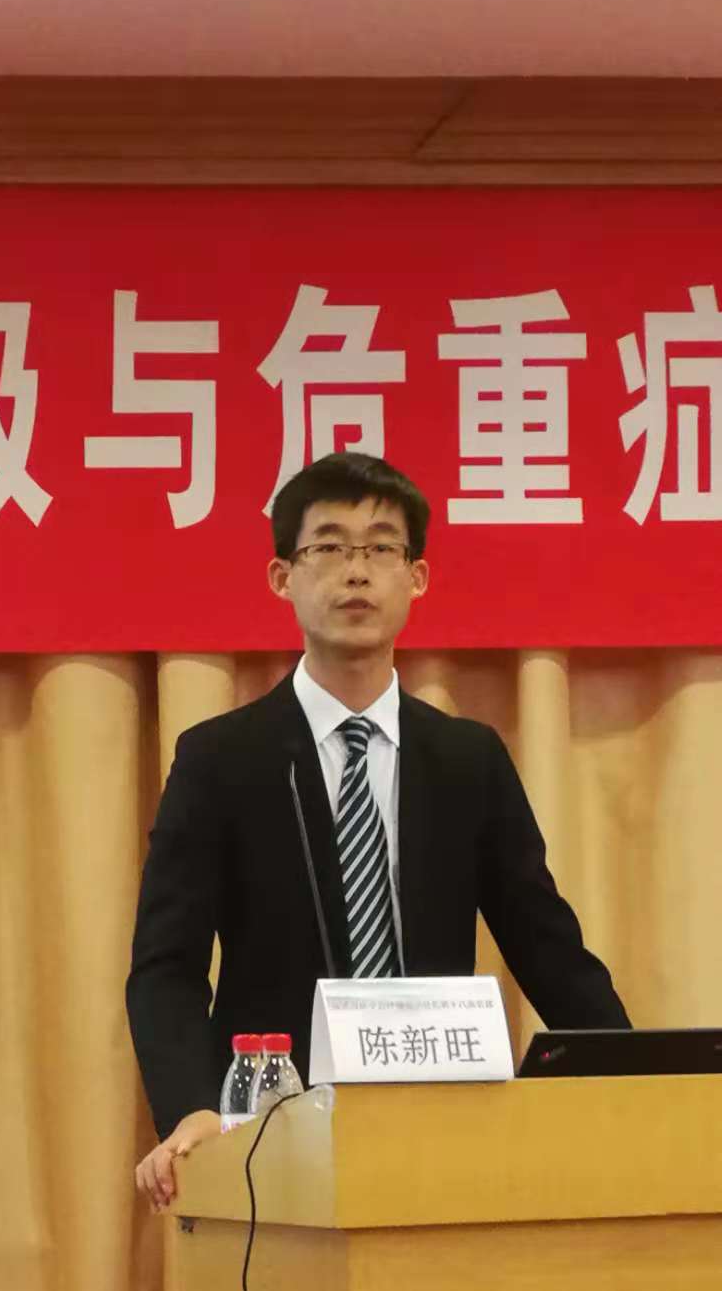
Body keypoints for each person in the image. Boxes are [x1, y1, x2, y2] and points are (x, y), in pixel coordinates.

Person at [127, 452, 630, 1210]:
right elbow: (166, 966)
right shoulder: (221, 760)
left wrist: (636, 1077)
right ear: (282, 577)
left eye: (381, 548)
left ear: (417, 577)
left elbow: (547, 946)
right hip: (275, 1141)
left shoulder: (467, 758)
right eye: (328, 547)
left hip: (444, 1131)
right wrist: (190, 1107)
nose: (356, 571)